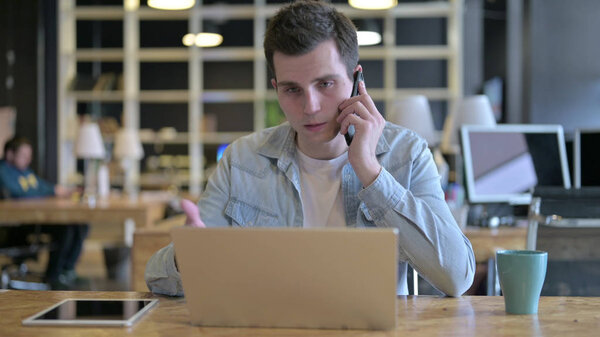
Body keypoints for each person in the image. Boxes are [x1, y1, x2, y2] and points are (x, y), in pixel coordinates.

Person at [146, 0, 475, 297]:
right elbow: (158, 278)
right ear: (276, 88)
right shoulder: (242, 160)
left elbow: (456, 277)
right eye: (292, 89)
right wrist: (186, 254)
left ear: (357, 80)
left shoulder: (407, 153)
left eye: (325, 83)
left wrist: (371, 173)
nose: (310, 106)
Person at [0, 136, 89, 289]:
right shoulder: (3, 172)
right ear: (9, 154)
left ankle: (66, 270)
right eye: (23, 155)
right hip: (14, 227)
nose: (28, 160)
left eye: (29, 156)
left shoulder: (25, 172)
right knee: (65, 228)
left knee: (80, 223)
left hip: (32, 219)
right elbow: (20, 193)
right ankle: (53, 276)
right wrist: (50, 191)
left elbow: (41, 186)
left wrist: (57, 190)